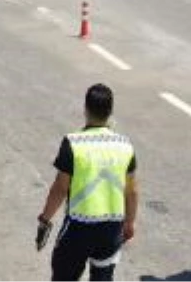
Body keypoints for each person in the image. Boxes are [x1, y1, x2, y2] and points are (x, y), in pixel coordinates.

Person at [36, 84, 138, 282]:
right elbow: (132, 191)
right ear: (110, 111)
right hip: (111, 229)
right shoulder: (125, 145)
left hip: (78, 229)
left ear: (85, 109)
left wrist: (45, 218)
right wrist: (130, 223)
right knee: (102, 277)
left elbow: (60, 188)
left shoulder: (73, 143)